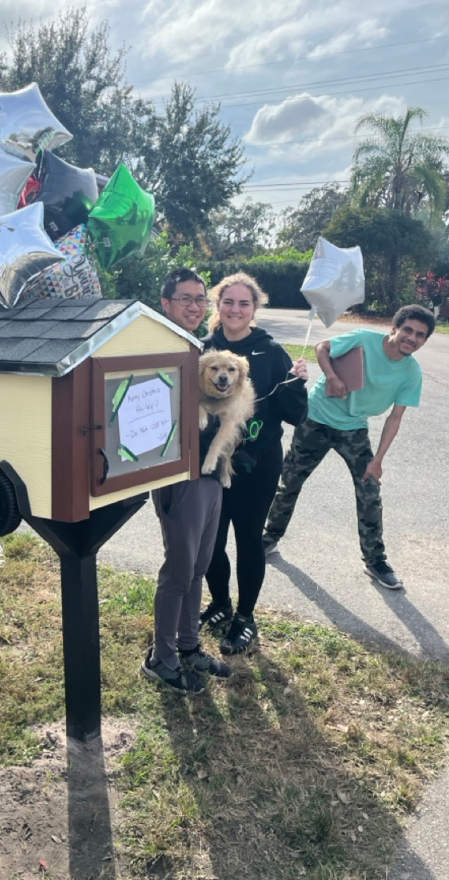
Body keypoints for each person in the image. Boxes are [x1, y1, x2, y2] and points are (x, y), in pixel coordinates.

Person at [262, 304, 436, 590]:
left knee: (369, 490)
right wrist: (331, 375)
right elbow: (322, 347)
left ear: (424, 341)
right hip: (315, 419)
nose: (412, 338)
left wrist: (377, 460)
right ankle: (268, 540)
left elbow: (395, 418)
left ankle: (375, 560)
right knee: (290, 482)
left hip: (354, 428)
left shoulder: (411, 373)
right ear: (395, 328)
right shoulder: (364, 339)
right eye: (408, 330)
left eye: (420, 335)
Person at [199, 273, 308, 654]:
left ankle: (244, 616)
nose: (235, 309)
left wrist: (296, 384)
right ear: (218, 305)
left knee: (248, 540)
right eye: (229, 302)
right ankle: (220, 603)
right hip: (209, 463)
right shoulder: (202, 348)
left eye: (244, 303)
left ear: (254, 309)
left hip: (256, 463)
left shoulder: (271, 351)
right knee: (209, 541)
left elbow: (295, 415)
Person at [141, 268, 232, 693]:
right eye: (185, 299)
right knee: (179, 571)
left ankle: (189, 645)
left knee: (199, 567)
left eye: (200, 299)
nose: (195, 306)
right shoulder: (156, 349)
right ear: (166, 303)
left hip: (211, 476)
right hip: (179, 477)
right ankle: (161, 657)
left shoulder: (200, 348)